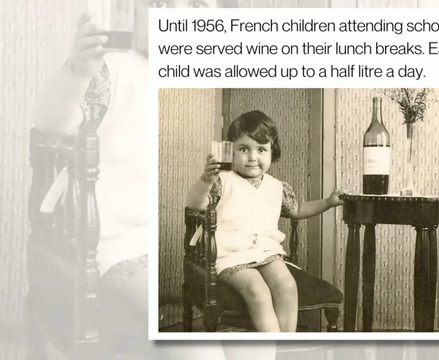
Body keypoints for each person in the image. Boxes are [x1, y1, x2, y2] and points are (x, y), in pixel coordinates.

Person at [31, 0, 275, 359]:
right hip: (111, 243)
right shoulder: (112, 68)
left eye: (194, 4)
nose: (174, 15)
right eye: (158, 3)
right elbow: (50, 124)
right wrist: (77, 72)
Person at [186, 110, 346, 332]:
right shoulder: (222, 181)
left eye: (261, 149)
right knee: (257, 290)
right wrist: (206, 180)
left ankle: (284, 347)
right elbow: (195, 204)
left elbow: (297, 209)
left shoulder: (276, 186)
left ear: (273, 151)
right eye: (244, 149)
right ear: (230, 151)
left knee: (287, 285)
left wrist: (328, 202)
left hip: (266, 252)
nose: (252, 157)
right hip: (230, 254)